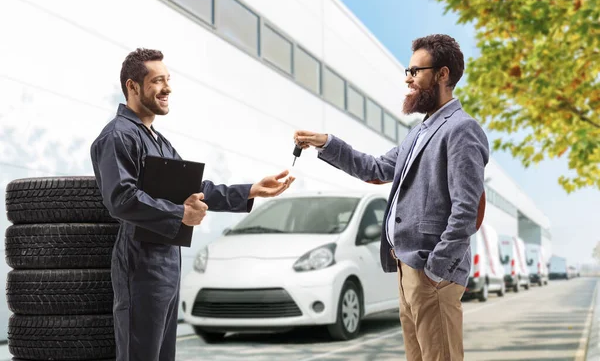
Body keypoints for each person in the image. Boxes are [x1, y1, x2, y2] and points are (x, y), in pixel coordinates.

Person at [90, 48, 294, 361]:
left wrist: (251, 191)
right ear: (132, 87)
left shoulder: (159, 141)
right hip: (139, 264)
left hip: (167, 262)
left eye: (168, 80)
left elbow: (196, 189)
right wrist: (180, 214)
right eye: (158, 81)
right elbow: (122, 199)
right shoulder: (118, 136)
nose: (168, 88)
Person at [294, 34, 489, 360]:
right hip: (407, 268)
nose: (407, 78)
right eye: (407, 70)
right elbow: (375, 167)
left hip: (430, 272)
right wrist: (327, 143)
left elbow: (466, 210)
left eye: (415, 71)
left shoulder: (461, 129)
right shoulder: (419, 132)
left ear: (442, 74)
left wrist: (436, 268)